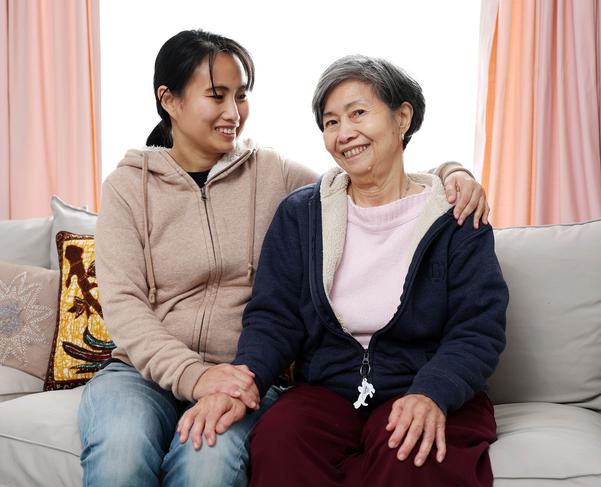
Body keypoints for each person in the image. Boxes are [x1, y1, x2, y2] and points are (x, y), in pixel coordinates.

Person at [77, 29, 491, 487]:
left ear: (402, 117)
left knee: (208, 466)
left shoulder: (275, 176)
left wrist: (453, 174)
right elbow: (125, 306)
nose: (233, 113)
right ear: (169, 100)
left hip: (240, 373)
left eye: (241, 96)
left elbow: (373, 178)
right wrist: (197, 378)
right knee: (120, 456)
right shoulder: (128, 187)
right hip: (147, 373)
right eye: (217, 96)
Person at [179, 54, 508, 486]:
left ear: (402, 117)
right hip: (329, 392)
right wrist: (242, 382)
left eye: (358, 113)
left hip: (424, 387)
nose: (344, 133)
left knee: (409, 454)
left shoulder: (456, 216)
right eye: (331, 122)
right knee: (278, 441)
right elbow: (274, 319)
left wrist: (432, 392)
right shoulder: (302, 214)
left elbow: (477, 328)